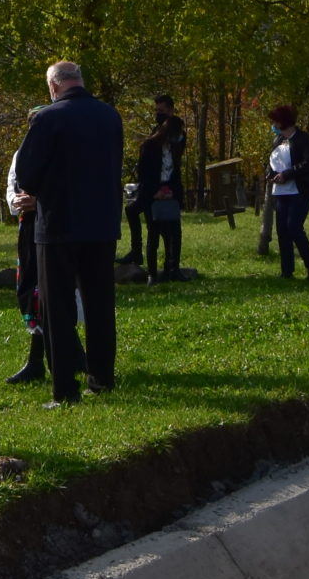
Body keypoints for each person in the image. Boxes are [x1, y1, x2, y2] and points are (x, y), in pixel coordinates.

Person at [12, 60, 125, 405]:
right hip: (102, 223)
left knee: (57, 306)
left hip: (59, 224)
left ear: (54, 86)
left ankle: (65, 389)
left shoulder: (48, 118)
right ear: (80, 80)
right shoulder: (110, 116)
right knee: (99, 304)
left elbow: (26, 176)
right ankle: (101, 378)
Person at [261, 106, 309, 281]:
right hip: (281, 191)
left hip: (299, 190)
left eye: (274, 121)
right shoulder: (278, 140)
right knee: (282, 231)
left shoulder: (303, 139)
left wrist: (287, 174)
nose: (273, 125)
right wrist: (271, 175)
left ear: (282, 122)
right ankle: (287, 271)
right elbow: (272, 161)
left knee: (294, 228)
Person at [2, 145, 45, 385]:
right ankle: (38, 360)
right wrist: (17, 200)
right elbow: (12, 184)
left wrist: (38, 202)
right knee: (34, 291)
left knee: (55, 294)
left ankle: (42, 359)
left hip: (58, 229)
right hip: (28, 231)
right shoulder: (21, 154)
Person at [134, 97, 187, 281]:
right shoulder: (149, 146)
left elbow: (175, 170)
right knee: (154, 234)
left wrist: (172, 191)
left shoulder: (175, 146)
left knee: (174, 233)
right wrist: (154, 192)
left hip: (171, 192)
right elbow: (143, 173)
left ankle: (173, 269)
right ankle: (152, 274)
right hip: (152, 194)